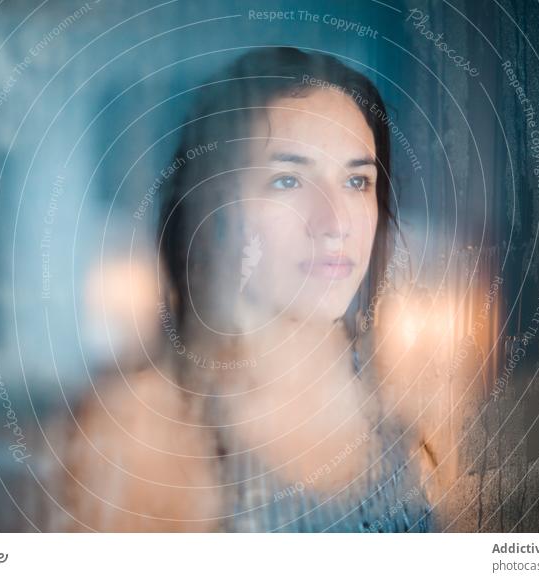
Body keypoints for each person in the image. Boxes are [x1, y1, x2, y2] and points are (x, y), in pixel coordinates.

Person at [57, 47, 438, 532]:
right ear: (215, 210)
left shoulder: (396, 386)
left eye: (357, 181)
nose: (336, 223)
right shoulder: (148, 423)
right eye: (287, 180)